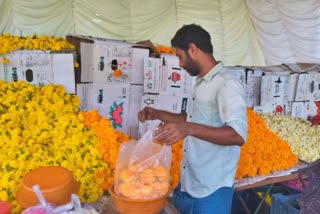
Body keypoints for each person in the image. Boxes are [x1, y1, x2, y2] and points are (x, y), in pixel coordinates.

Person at [138, 24, 248, 214]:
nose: (180, 64)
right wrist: (158, 114)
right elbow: (192, 119)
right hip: (189, 184)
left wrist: (188, 129)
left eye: (180, 57)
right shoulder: (201, 82)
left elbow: (238, 135)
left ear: (193, 49)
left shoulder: (227, 84)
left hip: (211, 191)